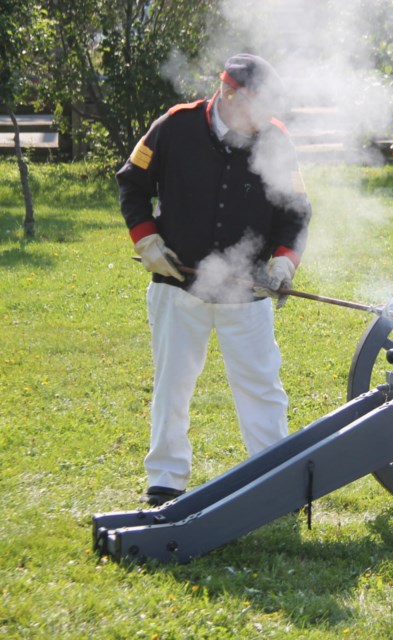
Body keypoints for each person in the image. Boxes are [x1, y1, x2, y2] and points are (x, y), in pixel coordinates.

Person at [116, 53, 312, 506]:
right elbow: (132, 184)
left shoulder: (276, 140)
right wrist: (146, 241)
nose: (263, 119)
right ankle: (165, 480)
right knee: (173, 384)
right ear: (228, 94)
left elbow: (296, 213)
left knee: (261, 385)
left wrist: (284, 263)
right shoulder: (174, 126)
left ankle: (273, 478)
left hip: (248, 289)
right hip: (176, 285)